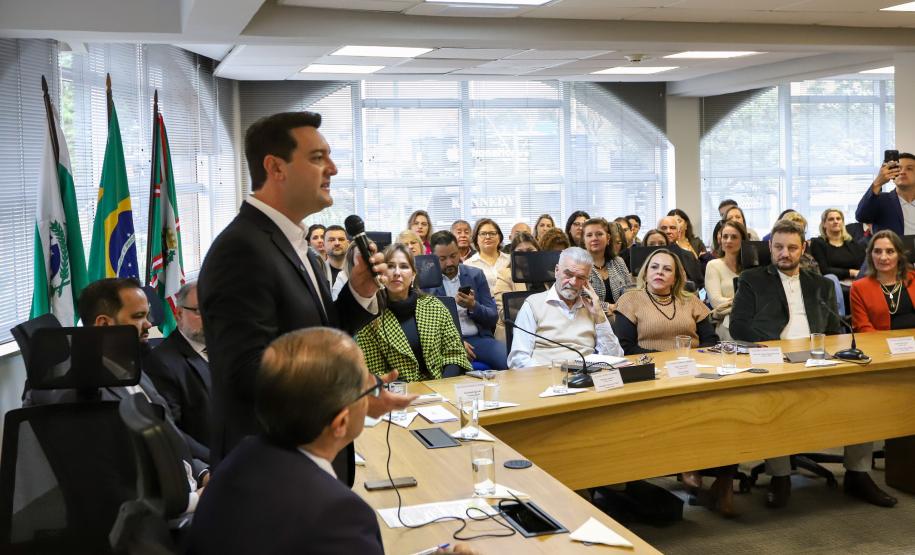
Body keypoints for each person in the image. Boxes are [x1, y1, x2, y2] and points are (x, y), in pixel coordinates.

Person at [197, 111, 411, 479]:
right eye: (317, 158)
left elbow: (319, 333)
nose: (333, 169)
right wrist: (349, 388)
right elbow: (247, 372)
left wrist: (358, 292)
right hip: (273, 470)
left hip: (307, 462)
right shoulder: (241, 249)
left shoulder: (296, 245)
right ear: (275, 168)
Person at [189, 328, 475, 555]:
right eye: (367, 387)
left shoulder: (238, 460)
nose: (376, 391)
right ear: (340, 423)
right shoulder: (338, 514)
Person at [729, 219, 894, 509]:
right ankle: (780, 476)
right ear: (770, 247)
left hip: (817, 358)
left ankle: (858, 473)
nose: (785, 253)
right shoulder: (752, 279)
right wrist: (777, 348)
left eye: (792, 248)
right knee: (775, 404)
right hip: (775, 361)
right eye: (778, 247)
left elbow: (832, 329)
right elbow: (738, 326)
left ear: (803, 248)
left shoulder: (821, 284)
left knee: (860, 393)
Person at [356, 244, 471, 381]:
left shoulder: (434, 307)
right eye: (390, 266)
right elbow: (375, 372)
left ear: (413, 275)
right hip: (397, 390)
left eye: (404, 266)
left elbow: (455, 354)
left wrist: (442, 385)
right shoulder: (368, 318)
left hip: (441, 385)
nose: (397, 272)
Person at [508, 247, 623, 368]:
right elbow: (518, 360)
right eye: (568, 274)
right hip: (545, 374)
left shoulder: (593, 308)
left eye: (580, 277)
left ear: (587, 281)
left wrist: (599, 317)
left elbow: (615, 358)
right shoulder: (533, 304)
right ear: (557, 271)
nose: (573, 282)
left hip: (585, 374)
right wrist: (551, 373)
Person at [145, 281, 212, 453]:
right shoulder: (161, 362)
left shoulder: (227, 348)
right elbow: (172, 431)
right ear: (179, 314)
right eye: (199, 311)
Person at [425, 230, 507, 369]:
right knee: (451, 369)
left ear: (459, 252)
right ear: (432, 258)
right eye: (442, 259)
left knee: (507, 359)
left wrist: (473, 306)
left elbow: (492, 316)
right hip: (444, 343)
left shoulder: (475, 275)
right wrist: (456, 342)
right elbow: (426, 327)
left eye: (453, 256)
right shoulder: (427, 283)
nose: (449, 263)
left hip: (478, 339)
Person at [612, 249, 719, 354]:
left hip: (690, 361)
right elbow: (625, 348)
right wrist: (667, 358)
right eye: (654, 267)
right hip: (649, 363)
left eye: (667, 269)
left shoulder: (692, 301)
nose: (659, 272)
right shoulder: (629, 300)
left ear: (675, 279)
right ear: (645, 273)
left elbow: (710, 341)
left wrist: (691, 357)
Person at [851, 230, 915, 332]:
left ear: (899, 255)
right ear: (870, 255)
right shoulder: (859, 287)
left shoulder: (913, 278)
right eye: (877, 251)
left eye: (890, 251)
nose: (883, 257)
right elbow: (862, 326)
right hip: (879, 340)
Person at [492, 231, 540, 342]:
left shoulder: (550, 275)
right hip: (514, 332)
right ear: (513, 255)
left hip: (545, 332)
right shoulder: (505, 275)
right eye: (520, 252)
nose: (525, 255)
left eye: (530, 251)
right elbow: (504, 312)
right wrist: (537, 317)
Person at [704, 221, 747, 341]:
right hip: (725, 324)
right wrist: (745, 303)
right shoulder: (713, 265)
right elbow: (716, 302)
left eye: (734, 237)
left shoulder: (751, 267)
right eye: (725, 236)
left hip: (751, 322)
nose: (728, 241)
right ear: (720, 240)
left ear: (743, 240)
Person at [855, 151, 915, 237]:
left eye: (909, 168)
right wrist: (878, 182)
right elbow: (861, 216)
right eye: (898, 168)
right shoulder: (880, 200)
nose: (902, 172)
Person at [582, 218, 632, 309]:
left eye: (599, 234)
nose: (594, 238)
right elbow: (580, 299)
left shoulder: (618, 262)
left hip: (622, 313)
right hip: (591, 316)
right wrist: (608, 307)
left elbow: (630, 290)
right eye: (589, 235)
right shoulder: (578, 265)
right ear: (584, 240)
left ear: (608, 238)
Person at [809, 208, 865, 281]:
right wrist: (851, 272)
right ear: (824, 224)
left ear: (842, 223)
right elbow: (824, 270)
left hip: (855, 281)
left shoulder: (852, 243)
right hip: (831, 282)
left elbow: (863, 266)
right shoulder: (818, 243)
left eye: (838, 219)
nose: (835, 221)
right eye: (831, 219)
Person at [657, 216, 704, 289]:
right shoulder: (649, 254)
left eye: (672, 228)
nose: (668, 231)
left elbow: (700, 285)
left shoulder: (689, 256)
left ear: (678, 233)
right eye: (664, 228)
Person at [465, 218, 511, 290]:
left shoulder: (510, 260)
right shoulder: (468, 265)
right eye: (483, 234)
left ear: (499, 237)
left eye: (492, 233)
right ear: (476, 238)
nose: (488, 237)